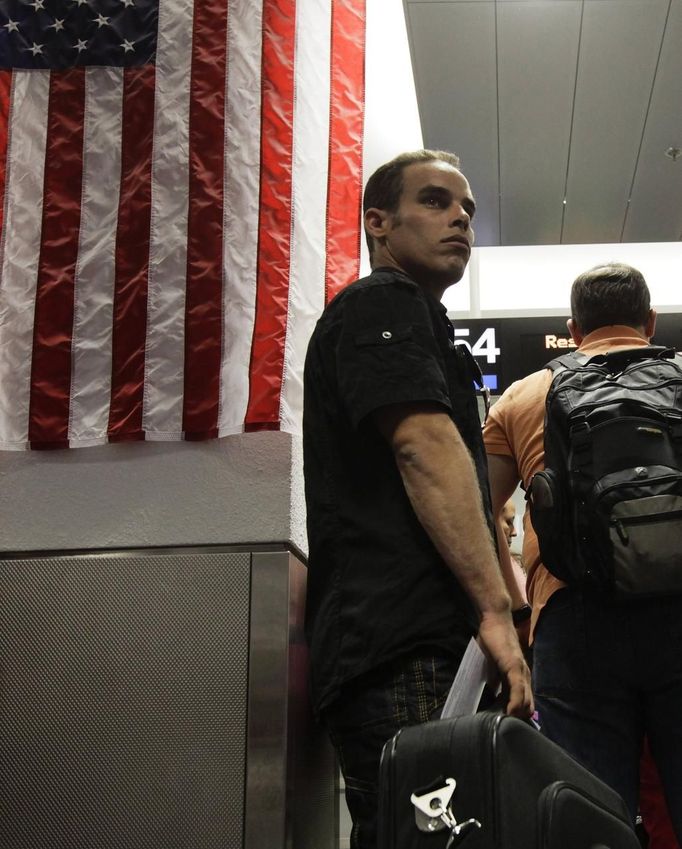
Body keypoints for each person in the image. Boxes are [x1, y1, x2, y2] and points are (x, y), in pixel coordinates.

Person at [303, 149, 532, 849]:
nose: (460, 218)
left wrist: (509, 614)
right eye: (435, 201)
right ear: (379, 222)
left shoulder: (420, 321)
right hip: (402, 644)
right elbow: (424, 447)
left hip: (423, 643)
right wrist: (496, 609)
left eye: (466, 208)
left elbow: (461, 477)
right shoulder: (384, 302)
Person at [482, 263, 682, 840]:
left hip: (573, 618)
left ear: (573, 329)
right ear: (650, 321)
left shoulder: (524, 396)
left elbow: (482, 509)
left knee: (593, 817)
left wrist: (516, 608)